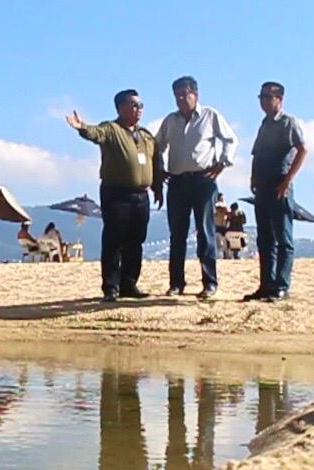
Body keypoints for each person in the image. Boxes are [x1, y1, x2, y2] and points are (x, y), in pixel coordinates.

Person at [66, 89, 161, 302]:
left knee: (136, 241)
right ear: (120, 107)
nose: (139, 110)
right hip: (116, 193)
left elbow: (156, 162)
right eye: (134, 105)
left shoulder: (146, 135)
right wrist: (82, 127)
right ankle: (111, 287)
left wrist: (158, 188)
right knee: (114, 240)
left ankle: (129, 284)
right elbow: (95, 134)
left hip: (141, 196)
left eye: (141, 106)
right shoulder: (111, 129)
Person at [155, 76, 238, 299]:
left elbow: (230, 140)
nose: (181, 99)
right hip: (177, 182)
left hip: (203, 181)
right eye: (177, 95)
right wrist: (159, 168)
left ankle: (209, 282)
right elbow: (157, 146)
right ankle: (176, 283)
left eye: (185, 94)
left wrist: (222, 162)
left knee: (206, 232)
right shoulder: (170, 121)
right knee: (177, 234)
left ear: (195, 94)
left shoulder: (210, 116)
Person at [244, 81, 308, 302]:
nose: (263, 101)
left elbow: (303, 149)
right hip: (261, 186)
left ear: (279, 99)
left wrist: (288, 180)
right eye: (261, 96)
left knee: (283, 238)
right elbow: (256, 153)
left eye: (267, 97)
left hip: (279, 185)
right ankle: (266, 284)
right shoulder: (264, 124)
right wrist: (253, 176)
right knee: (265, 239)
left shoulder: (288, 122)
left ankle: (281, 285)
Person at [214, 193, 229, 259]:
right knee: (219, 240)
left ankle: (225, 254)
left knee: (223, 240)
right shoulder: (216, 205)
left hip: (223, 225)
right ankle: (221, 254)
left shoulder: (224, 205)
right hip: (218, 225)